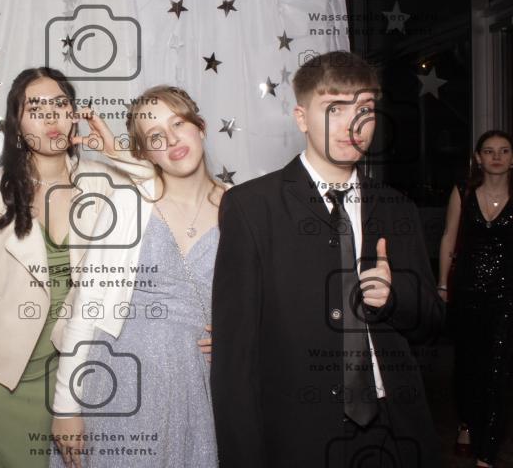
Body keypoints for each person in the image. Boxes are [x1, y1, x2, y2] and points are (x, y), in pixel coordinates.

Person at [211, 51, 445, 467]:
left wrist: (395, 296)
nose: (354, 126)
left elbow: (432, 324)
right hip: (299, 436)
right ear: (302, 118)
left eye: (365, 109)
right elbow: (234, 361)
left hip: (393, 428)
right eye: (334, 108)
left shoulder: (398, 208)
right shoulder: (251, 207)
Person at [0, 67, 154, 468]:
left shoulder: (104, 182)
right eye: (36, 109)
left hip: (72, 375)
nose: (51, 116)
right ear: (16, 125)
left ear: (74, 114)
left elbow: (161, 187)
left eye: (60, 105)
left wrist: (114, 150)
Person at [49, 85, 228, 468]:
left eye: (178, 124)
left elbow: (262, 301)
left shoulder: (241, 206)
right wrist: (66, 407)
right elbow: (88, 305)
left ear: (201, 127)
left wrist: (234, 336)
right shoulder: (129, 203)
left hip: (199, 388)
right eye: (155, 136)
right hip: (120, 377)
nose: (172, 140)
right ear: (145, 153)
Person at [439, 130, 513, 467]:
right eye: (489, 151)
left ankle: (487, 453)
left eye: (504, 150)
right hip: (467, 292)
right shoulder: (463, 191)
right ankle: (467, 422)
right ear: (478, 158)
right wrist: (443, 285)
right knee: (468, 367)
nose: (497, 157)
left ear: (512, 158)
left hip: (507, 296)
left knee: (499, 370)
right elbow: (448, 237)